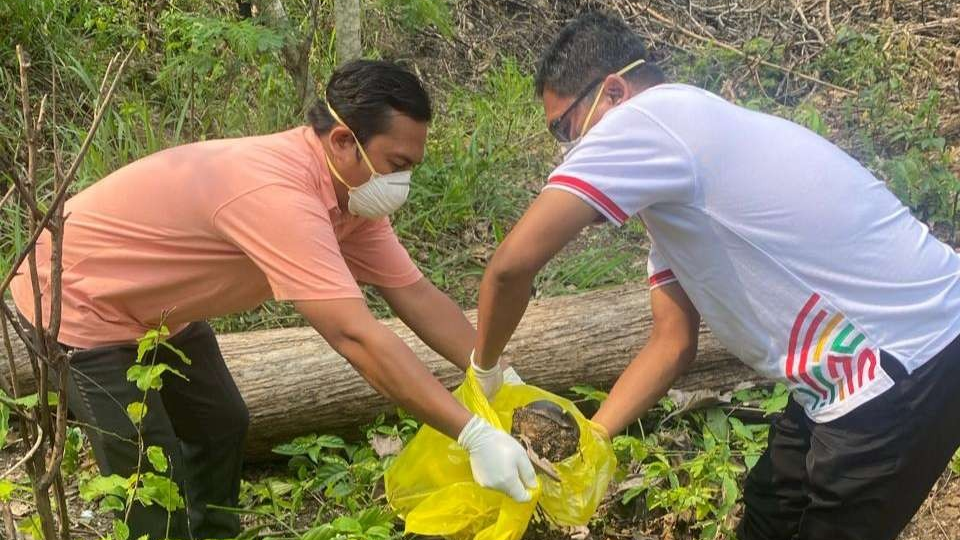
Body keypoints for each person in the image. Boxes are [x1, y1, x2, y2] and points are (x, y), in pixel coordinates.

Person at [470, 12, 960, 540]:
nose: (568, 149)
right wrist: (591, 439)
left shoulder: (650, 121)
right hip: (847, 374)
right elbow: (671, 345)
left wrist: (485, 372)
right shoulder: (682, 178)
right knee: (770, 507)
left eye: (565, 129)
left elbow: (509, 267)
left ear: (613, 91)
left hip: (906, 357)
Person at [10, 59, 536, 540]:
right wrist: (472, 434)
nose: (402, 180)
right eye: (396, 162)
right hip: (78, 296)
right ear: (344, 141)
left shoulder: (352, 199)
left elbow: (416, 295)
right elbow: (355, 334)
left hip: (162, 309)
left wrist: (495, 371)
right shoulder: (279, 194)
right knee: (148, 467)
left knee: (221, 423)